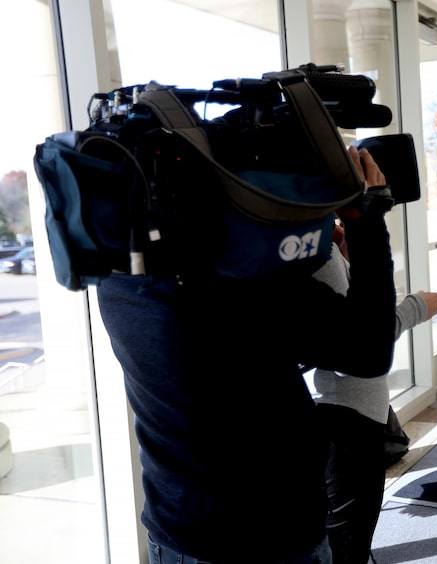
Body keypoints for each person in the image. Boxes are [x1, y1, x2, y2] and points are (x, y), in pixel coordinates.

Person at [97, 145, 398, 564]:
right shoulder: (252, 284)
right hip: (274, 535)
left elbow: (234, 354)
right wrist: (366, 218)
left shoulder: (117, 278)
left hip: (178, 532)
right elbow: (368, 351)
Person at [313, 221, 437, 564]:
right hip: (344, 419)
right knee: (345, 541)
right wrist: (417, 307)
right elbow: (356, 348)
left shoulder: (326, 243)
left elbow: (351, 322)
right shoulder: (317, 250)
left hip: (352, 413)